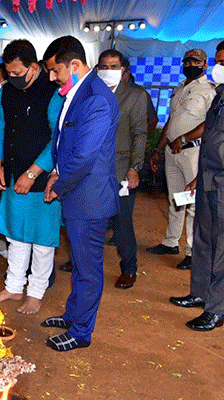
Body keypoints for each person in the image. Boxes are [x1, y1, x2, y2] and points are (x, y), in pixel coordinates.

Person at [42, 36, 119, 351]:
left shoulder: (96, 98)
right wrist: (56, 170)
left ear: (74, 65)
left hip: (89, 198)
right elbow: (67, 142)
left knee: (88, 270)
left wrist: (58, 185)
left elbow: (85, 156)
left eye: (55, 70)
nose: (52, 77)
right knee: (78, 262)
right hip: (79, 192)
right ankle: (73, 316)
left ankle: (81, 332)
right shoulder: (78, 91)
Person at [0, 39, 61, 312]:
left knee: (42, 240)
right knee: (16, 235)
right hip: (12, 171)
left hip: (43, 177)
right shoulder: (6, 92)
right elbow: (1, 128)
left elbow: (58, 139)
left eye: (17, 73)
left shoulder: (53, 92)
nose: (12, 78)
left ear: (34, 67)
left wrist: (32, 173)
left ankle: (36, 292)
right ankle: (14, 286)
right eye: (9, 73)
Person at [170, 42, 224, 331]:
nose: (219, 68)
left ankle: (217, 309)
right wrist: (198, 176)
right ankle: (200, 293)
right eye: (219, 62)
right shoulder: (220, 95)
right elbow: (210, 134)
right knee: (203, 240)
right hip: (208, 176)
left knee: (222, 247)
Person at [147, 49, 216, 270]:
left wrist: (184, 138)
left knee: (194, 204)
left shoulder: (210, 90)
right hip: (172, 152)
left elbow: (211, 124)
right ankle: (171, 242)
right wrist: (158, 149)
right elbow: (172, 120)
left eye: (196, 61)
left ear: (205, 65)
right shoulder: (179, 88)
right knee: (176, 199)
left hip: (193, 152)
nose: (190, 65)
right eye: (187, 62)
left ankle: (193, 252)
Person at [94, 49, 148, 289]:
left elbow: (140, 134)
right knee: (89, 218)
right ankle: (82, 260)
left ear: (123, 70)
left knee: (121, 223)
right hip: (92, 169)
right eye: (104, 67)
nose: (109, 71)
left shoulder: (135, 96)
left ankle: (129, 268)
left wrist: (135, 167)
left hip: (121, 169)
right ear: (97, 69)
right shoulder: (90, 94)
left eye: (114, 67)